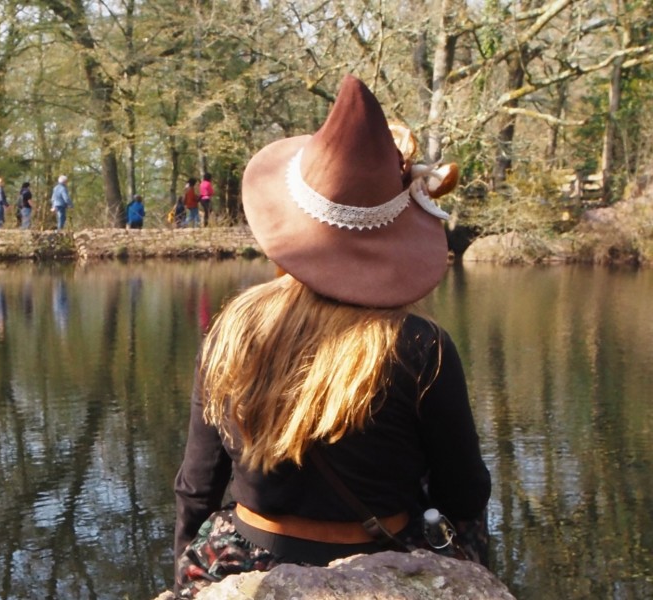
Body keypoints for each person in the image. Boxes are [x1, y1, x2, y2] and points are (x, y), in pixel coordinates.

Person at [172, 75, 490, 597]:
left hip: (247, 556)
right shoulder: (421, 346)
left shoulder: (231, 327)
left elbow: (197, 484)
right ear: (396, 233)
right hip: (381, 560)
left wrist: (188, 571)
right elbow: (466, 490)